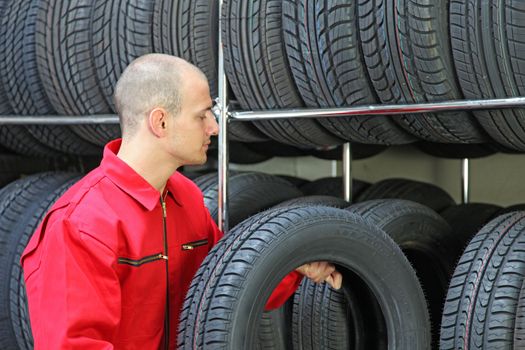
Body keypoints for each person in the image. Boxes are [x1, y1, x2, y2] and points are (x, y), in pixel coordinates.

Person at [21, 54, 342, 349]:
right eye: (202, 115)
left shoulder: (184, 196)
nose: (214, 128)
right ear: (160, 122)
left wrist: (295, 265)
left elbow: (222, 284)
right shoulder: (80, 224)